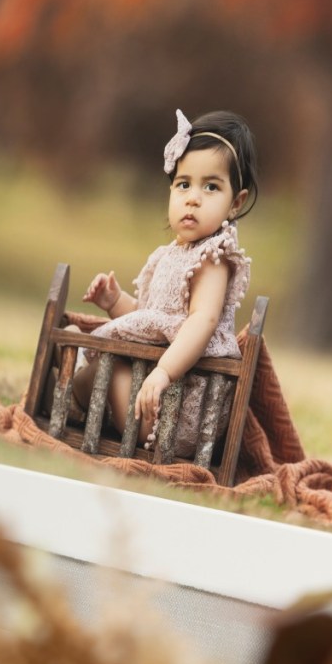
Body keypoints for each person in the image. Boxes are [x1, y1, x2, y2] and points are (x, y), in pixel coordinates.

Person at [71, 108, 258, 458]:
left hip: (177, 410)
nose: (193, 197)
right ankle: (74, 400)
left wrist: (163, 374)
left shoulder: (214, 259)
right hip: (153, 393)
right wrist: (115, 303)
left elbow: (201, 322)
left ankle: (71, 401)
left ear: (236, 203)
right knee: (103, 367)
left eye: (211, 187)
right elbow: (153, 322)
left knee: (104, 370)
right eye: (184, 184)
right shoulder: (171, 255)